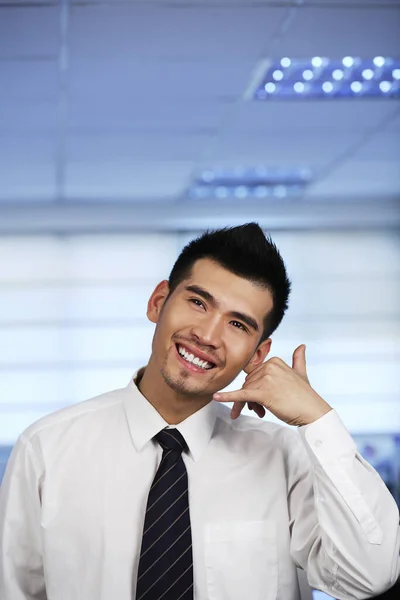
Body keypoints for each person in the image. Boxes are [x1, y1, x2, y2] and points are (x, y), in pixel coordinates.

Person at [0, 223, 399, 600]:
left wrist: (317, 418)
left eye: (238, 325)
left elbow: (367, 576)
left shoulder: (283, 456)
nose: (207, 336)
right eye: (197, 302)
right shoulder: (47, 448)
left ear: (258, 354)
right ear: (158, 302)